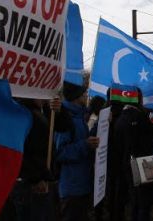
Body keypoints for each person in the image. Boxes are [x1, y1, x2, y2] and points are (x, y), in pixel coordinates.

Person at [113, 85, 153, 221]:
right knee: (144, 203)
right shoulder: (140, 117)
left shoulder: (119, 119)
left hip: (127, 164)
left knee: (135, 200)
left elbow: (118, 144)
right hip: (144, 163)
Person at [54, 82, 99, 221]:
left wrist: (100, 125)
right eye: (83, 93)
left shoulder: (79, 116)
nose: (86, 95)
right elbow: (60, 152)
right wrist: (85, 145)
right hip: (71, 186)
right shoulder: (65, 118)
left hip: (82, 183)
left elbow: (83, 141)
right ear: (76, 96)